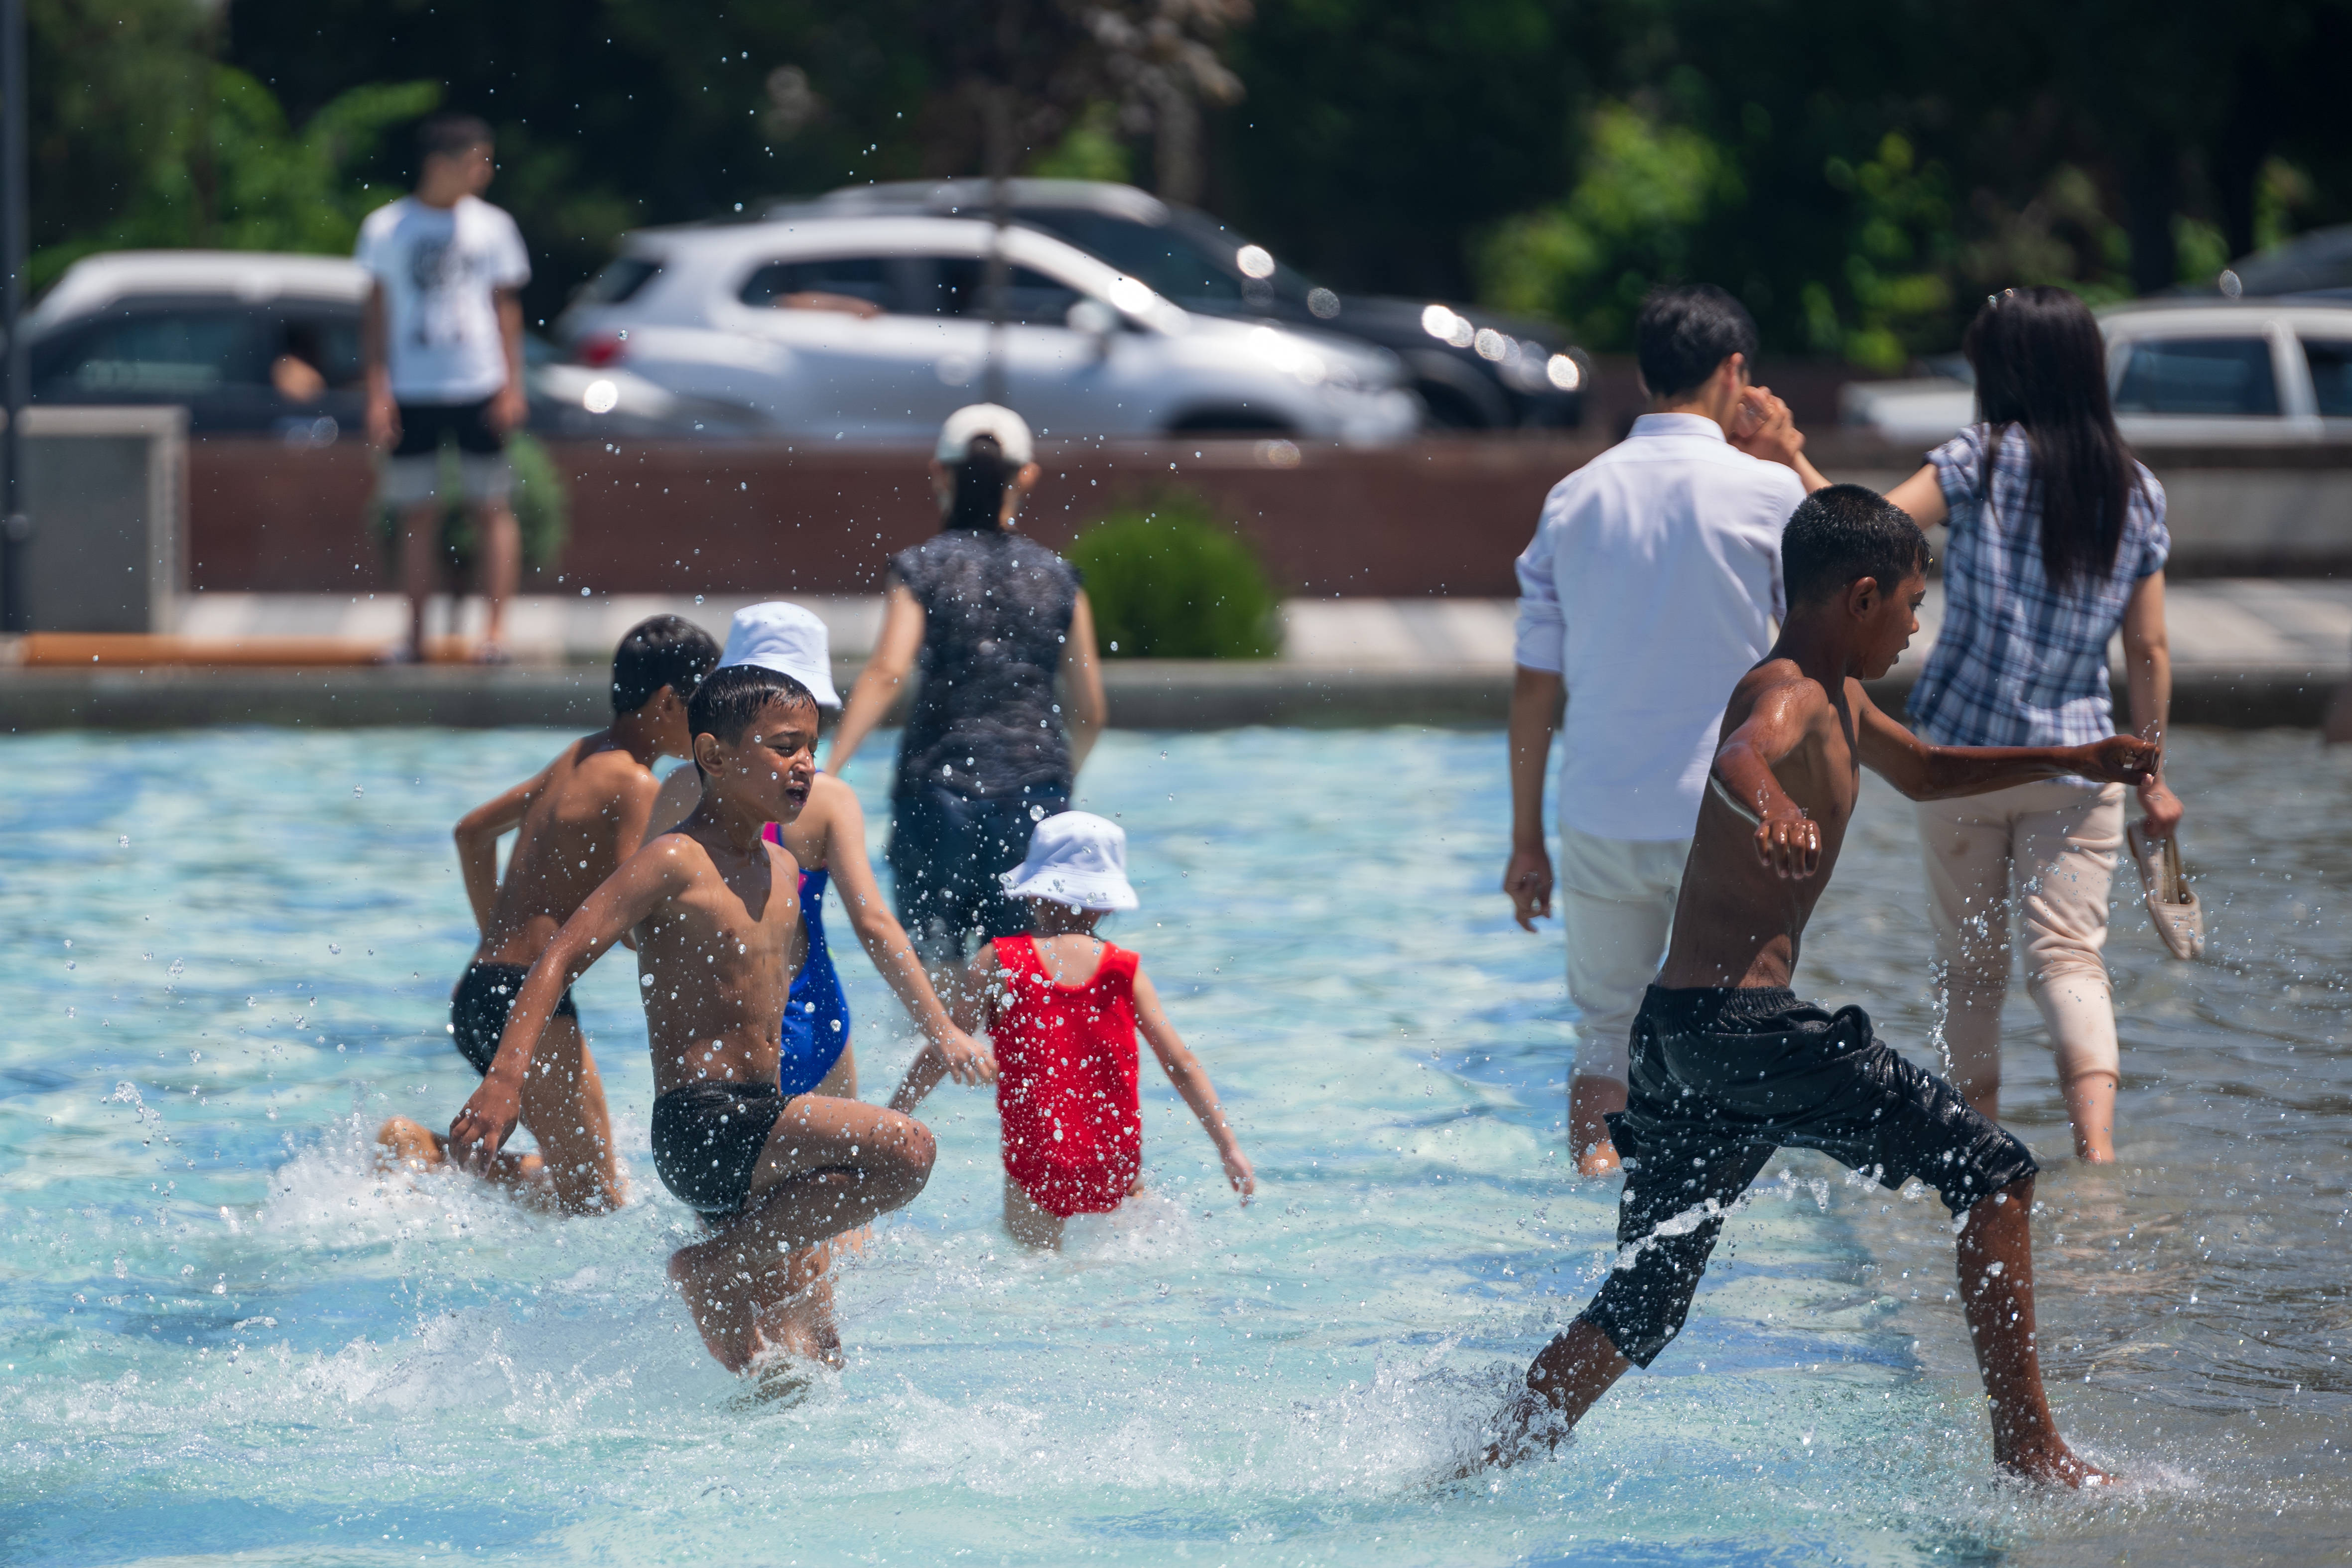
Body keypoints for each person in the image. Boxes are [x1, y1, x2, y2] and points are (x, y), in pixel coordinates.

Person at [1484, 486, 2157, 1485]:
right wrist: (1772, 810)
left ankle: (1484, 1457)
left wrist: (2077, 757)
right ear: (1862, 594)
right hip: (1749, 1028)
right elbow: (1741, 751)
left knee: (1647, 1299)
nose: (1916, 625)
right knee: (2000, 1174)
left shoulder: (1844, 697)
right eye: (1912, 606)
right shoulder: (1792, 690)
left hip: (1678, 1031)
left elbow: (1925, 770)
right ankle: (2031, 1449)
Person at [449, 664, 939, 1372]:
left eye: (811, 747)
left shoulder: (778, 867)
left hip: (759, 1126)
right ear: (713, 757)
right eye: (782, 746)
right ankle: (710, 1269)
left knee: (808, 1360)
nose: (804, 764)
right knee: (908, 1151)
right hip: (702, 1121)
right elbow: (556, 958)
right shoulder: (674, 859)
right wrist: (504, 1082)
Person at [1505, 284, 1829, 1176]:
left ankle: (1596, 1204)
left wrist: (1526, 840)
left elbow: (1533, 691)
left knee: (1604, 1033)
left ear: (1643, 375)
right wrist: (1792, 452)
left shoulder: (1571, 500)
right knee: (1736, 1032)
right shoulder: (1767, 494)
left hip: (1603, 806)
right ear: (1735, 372)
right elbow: (1866, 568)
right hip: (1730, 813)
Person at [1879, 286, 2182, 1163]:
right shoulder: (2135, 488)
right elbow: (2150, 645)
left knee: (1968, 966)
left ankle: (1974, 1148)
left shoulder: (1977, 458)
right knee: (2070, 961)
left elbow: (1879, 526)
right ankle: (2095, 1148)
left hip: (1960, 757)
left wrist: (1792, 462)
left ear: (2002, 370)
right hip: (2080, 763)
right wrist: (2151, 773)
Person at [375, 615, 718, 1213]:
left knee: (587, 1185)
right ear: (668, 702)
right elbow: (635, 922)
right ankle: (421, 1148)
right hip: (528, 1003)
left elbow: (471, 833)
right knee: (598, 1199)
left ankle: (430, 1154)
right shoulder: (636, 783)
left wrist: (495, 940)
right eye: (706, 704)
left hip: (482, 988)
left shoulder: (580, 755)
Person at [652, 601, 999, 1097]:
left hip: (715, 1033)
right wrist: (942, 1029)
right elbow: (874, 924)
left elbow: (641, 934)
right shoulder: (830, 798)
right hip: (815, 1022)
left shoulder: (680, 789)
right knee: (840, 1173)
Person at [826, 403, 1108, 1011]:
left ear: (939, 473)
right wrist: (1056, 778)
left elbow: (887, 671)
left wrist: (828, 770)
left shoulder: (922, 568)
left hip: (938, 797)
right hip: (1036, 797)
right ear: (1026, 476)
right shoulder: (1061, 579)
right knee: (1017, 990)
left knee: (937, 986)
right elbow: (1090, 711)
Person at [889, 811, 1253, 1249]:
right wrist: (1227, 1147)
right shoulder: (1124, 970)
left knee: (1035, 1277)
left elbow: (946, 1048)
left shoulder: (999, 961)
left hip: (1037, 1167)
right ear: (1106, 904)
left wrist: (896, 1115)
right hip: (1114, 1164)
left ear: (1034, 890)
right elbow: (1181, 1063)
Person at [356, 113, 532, 664]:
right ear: (440, 164)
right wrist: (377, 390)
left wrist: (512, 383)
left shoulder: (493, 226)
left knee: (491, 506)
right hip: (413, 387)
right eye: (476, 159)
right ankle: (415, 640)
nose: (486, 170)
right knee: (417, 512)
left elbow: (506, 308)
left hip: (479, 382)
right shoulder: (387, 228)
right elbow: (377, 313)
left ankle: (495, 635)